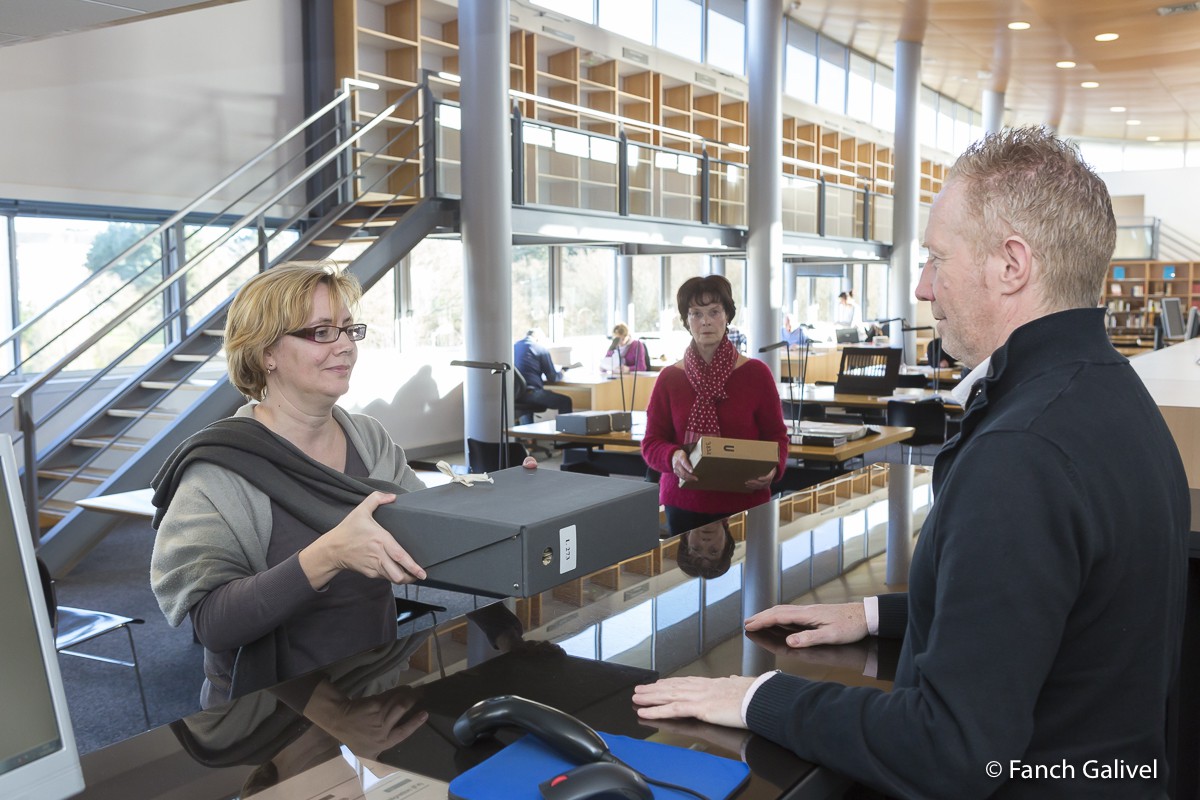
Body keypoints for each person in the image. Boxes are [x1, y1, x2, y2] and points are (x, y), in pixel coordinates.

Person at [632, 127, 1189, 798]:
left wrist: (759, 699)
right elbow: (1048, 606)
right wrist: (875, 615)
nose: (923, 287)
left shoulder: (1023, 453)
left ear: (1011, 265)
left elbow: (949, 747)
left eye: (935, 258)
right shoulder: (1110, 393)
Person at [151, 264, 537, 708]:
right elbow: (214, 625)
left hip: (374, 685)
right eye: (320, 332)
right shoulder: (220, 468)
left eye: (349, 330)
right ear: (264, 353)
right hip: (267, 711)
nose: (345, 347)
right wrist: (329, 555)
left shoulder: (367, 438)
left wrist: (517, 506)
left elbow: (434, 541)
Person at [641, 275, 789, 535]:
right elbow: (651, 442)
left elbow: (777, 436)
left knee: (748, 575)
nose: (705, 321)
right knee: (684, 575)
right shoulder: (670, 378)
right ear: (686, 321)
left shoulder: (756, 374)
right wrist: (673, 456)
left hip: (745, 502)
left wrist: (774, 468)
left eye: (714, 312)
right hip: (683, 502)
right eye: (696, 313)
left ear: (727, 316)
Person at [513, 328, 573, 414]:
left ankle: (526, 427)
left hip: (516, 394)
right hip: (531, 393)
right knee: (565, 401)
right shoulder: (540, 349)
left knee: (525, 405)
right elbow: (553, 377)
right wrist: (562, 371)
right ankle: (565, 428)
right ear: (538, 339)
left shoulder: (514, 347)